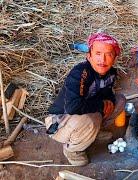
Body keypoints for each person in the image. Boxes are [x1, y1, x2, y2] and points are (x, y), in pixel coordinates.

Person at [45, 33, 125, 166]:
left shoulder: (111, 73)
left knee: (120, 100)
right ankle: (73, 149)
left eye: (108, 54)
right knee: (90, 120)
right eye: (98, 53)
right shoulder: (80, 73)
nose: (103, 59)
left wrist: (108, 101)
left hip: (84, 114)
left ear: (115, 58)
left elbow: (107, 93)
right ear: (89, 55)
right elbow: (72, 107)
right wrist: (100, 105)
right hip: (60, 121)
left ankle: (92, 133)